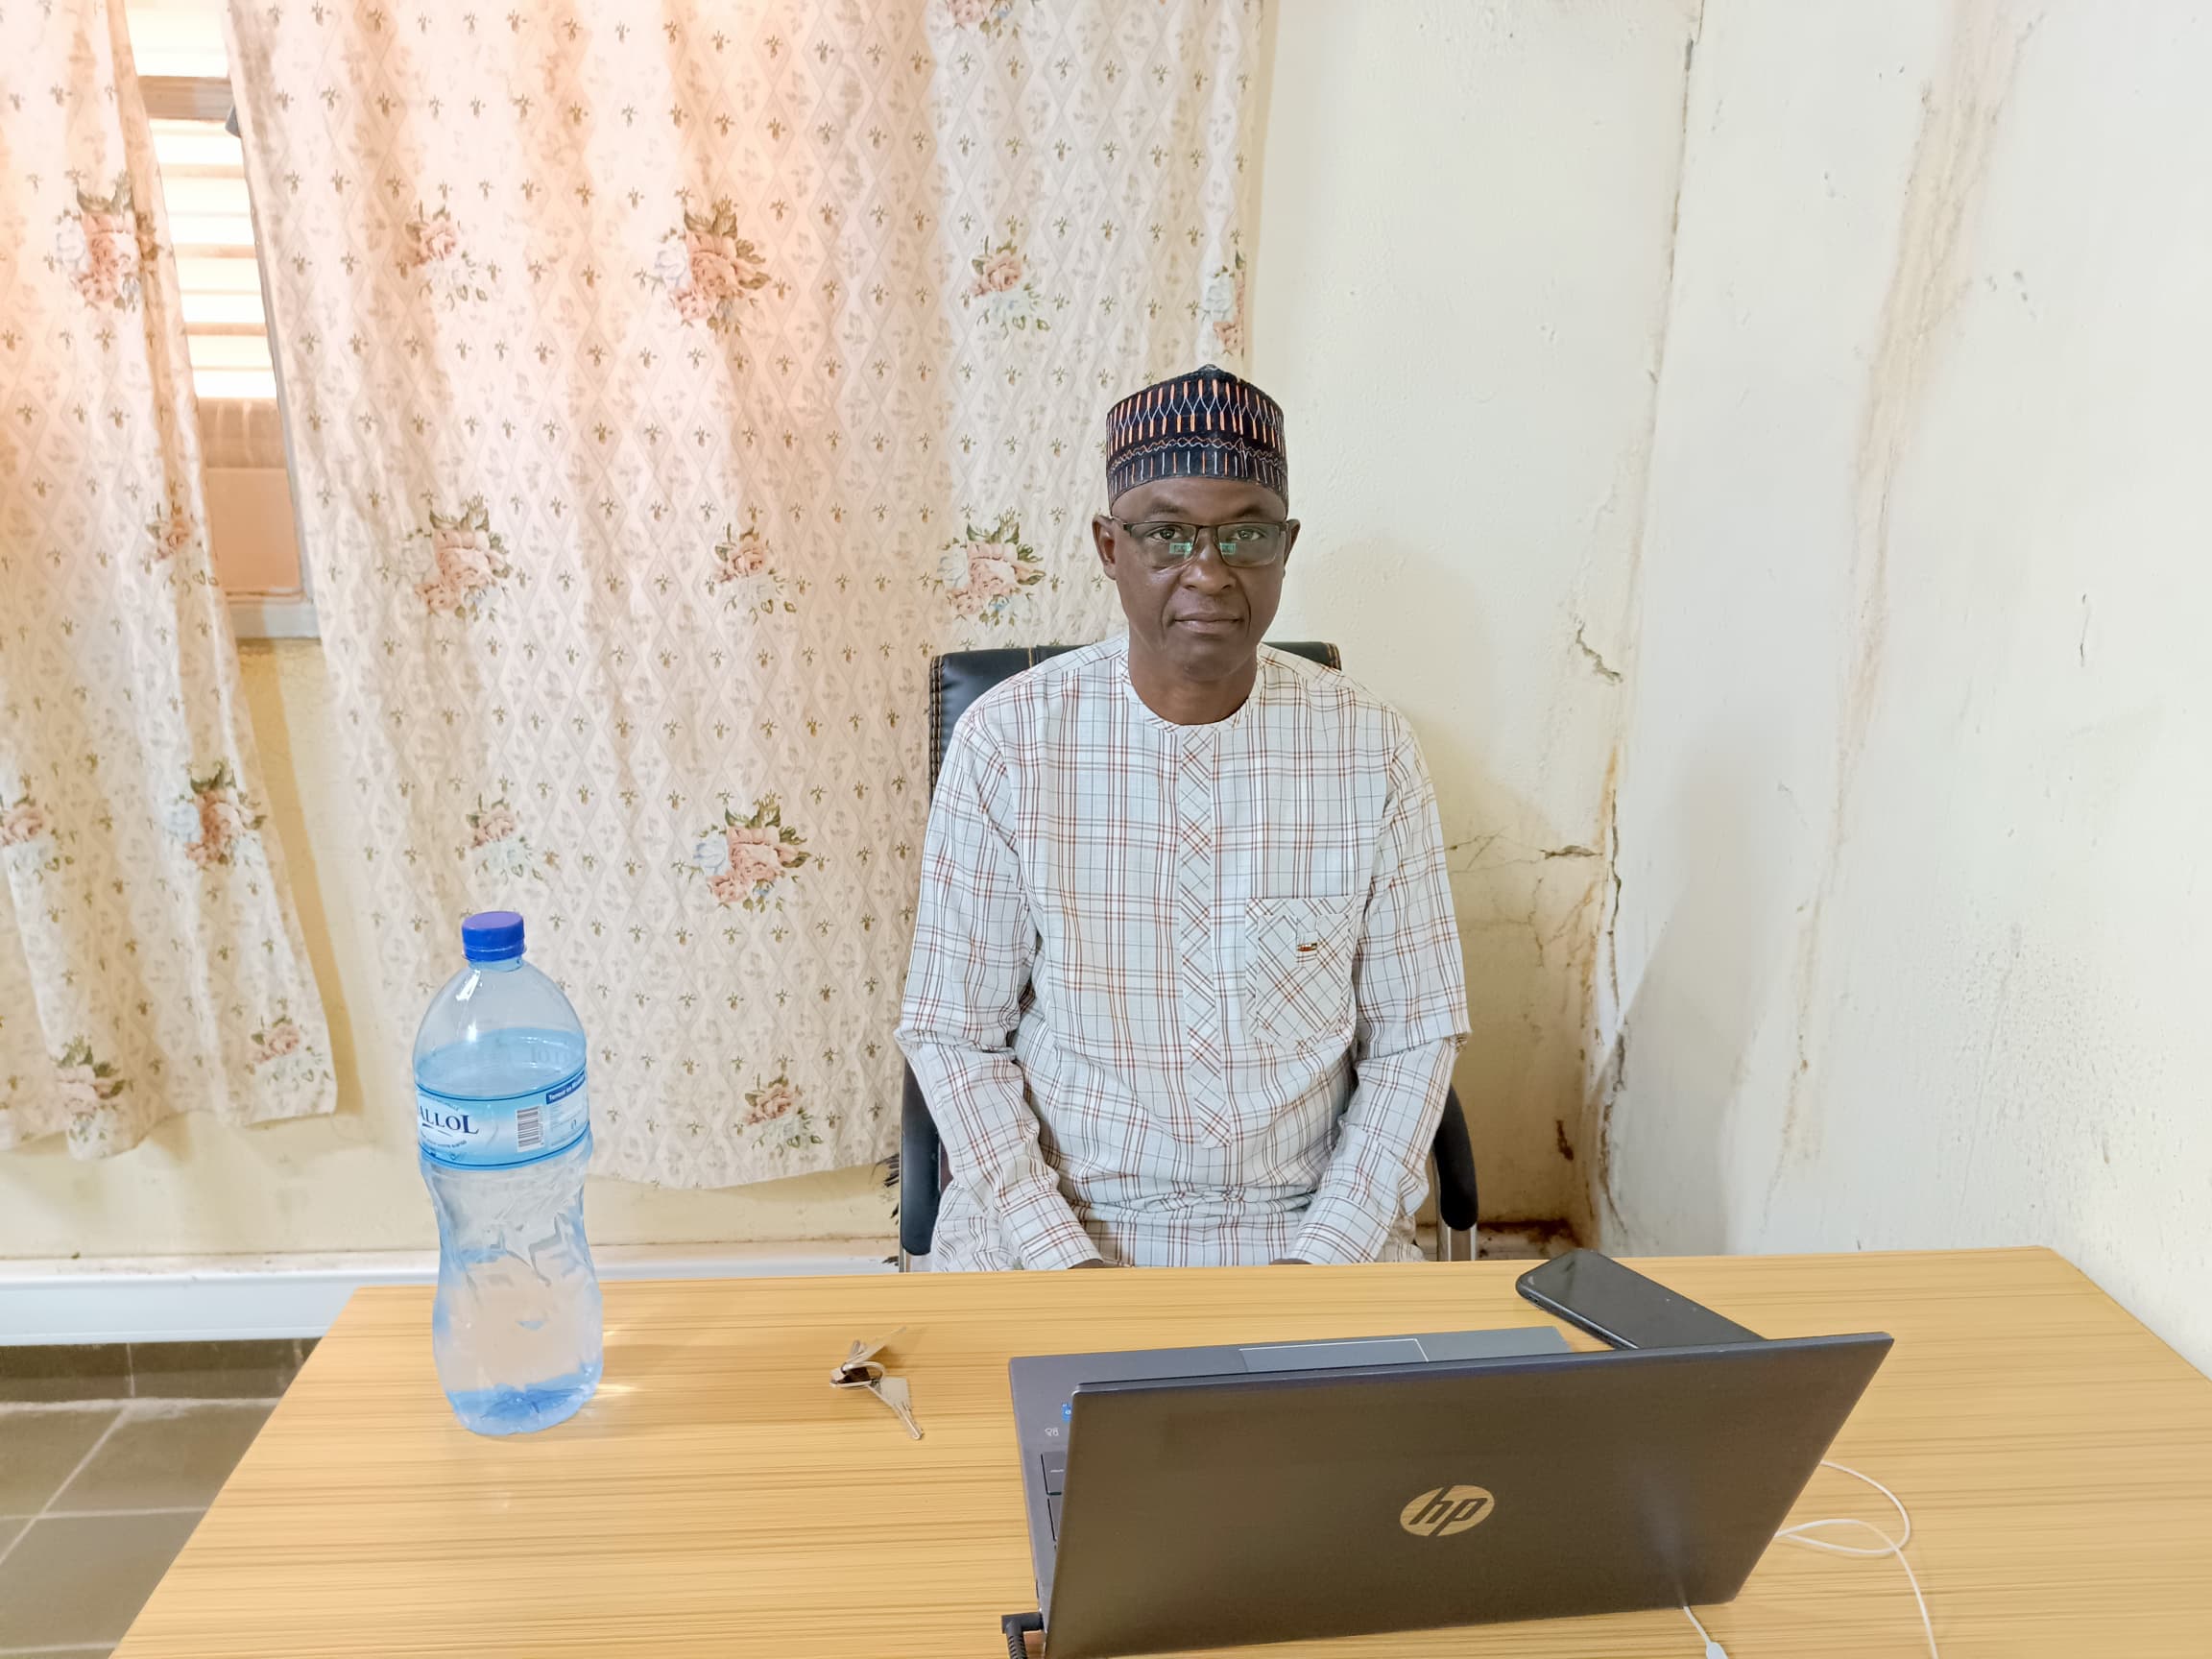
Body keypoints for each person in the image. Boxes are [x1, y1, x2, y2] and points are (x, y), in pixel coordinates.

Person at [897, 365, 1469, 1270]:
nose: (1208, 572)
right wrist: (1061, 1260)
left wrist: (1325, 1257)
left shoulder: (1372, 749)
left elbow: (1415, 1033)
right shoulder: (1007, 742)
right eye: (1167, 534)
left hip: (1303, 1223)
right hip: (1056, 1221)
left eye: (1247, 534)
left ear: (1285, 546)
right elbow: (953, 1031)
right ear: (1109, 546)